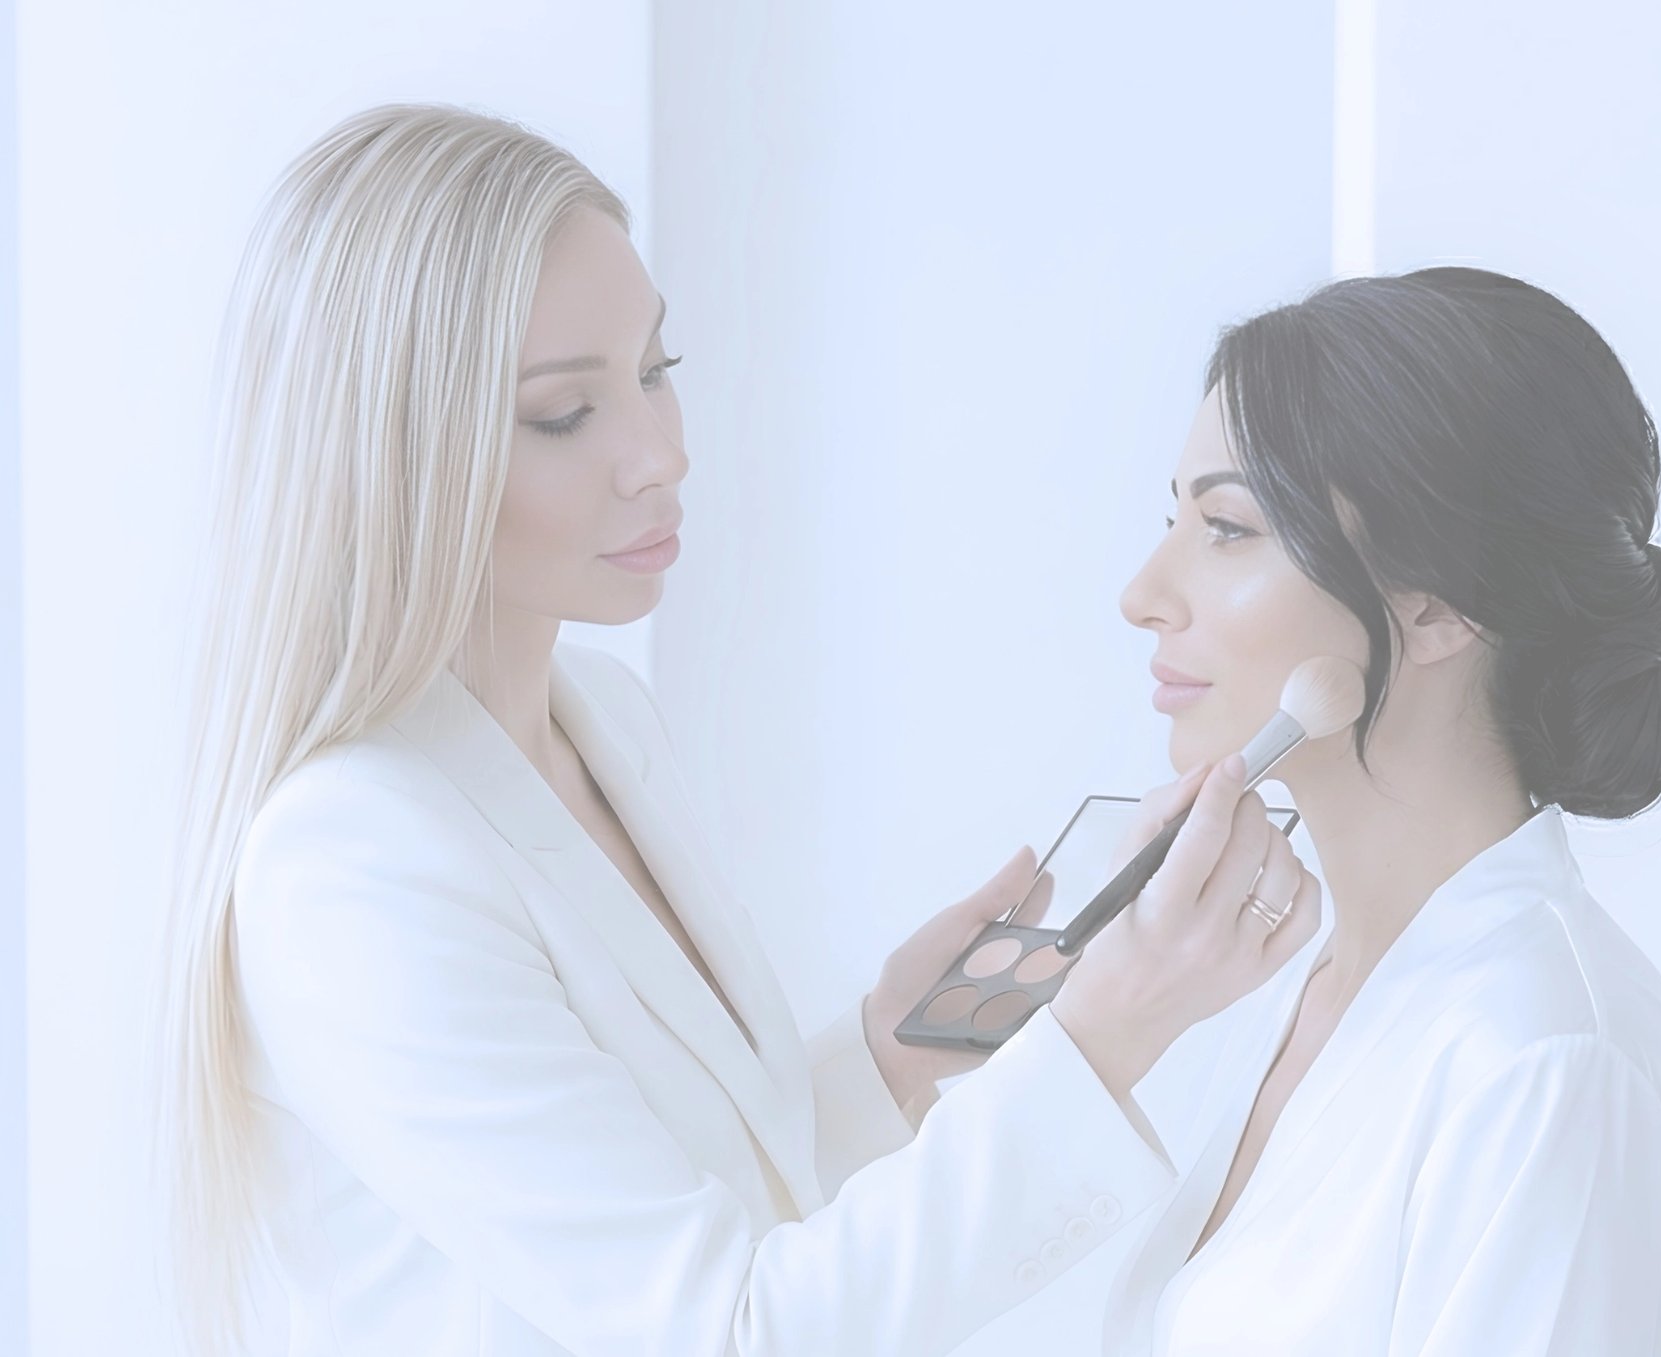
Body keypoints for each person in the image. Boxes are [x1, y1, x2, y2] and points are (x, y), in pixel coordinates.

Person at [147, 103, 1323, 1357]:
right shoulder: (354, 864)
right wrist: (1115, 1028)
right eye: (563, 415)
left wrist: (888, 1052)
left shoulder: (605, 726)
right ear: (398, 453)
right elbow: (727, 1327)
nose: (660, 453)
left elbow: (703, 1192)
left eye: (656, 371)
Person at [1100, 268, 1661, 1355]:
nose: (1144, 592)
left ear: (1434, 599)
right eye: (1175, 519)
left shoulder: (1547, 1064)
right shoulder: (1280, 993)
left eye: (1228, 528)